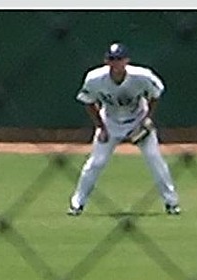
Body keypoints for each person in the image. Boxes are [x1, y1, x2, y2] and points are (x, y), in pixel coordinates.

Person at [68, 41, 180, 218]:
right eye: (112, 59)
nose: (116, 63)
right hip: (110, 122)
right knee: (96, 163)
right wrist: (101, 127)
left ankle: (171, 203)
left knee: (154, 159)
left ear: (127, 60)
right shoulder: (95, 78)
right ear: (106, 61)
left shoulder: (142, 76)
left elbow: (156, 94)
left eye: (119, 59)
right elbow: (88, 102)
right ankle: (77, 203)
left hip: (137, 120)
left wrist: (147, 120)